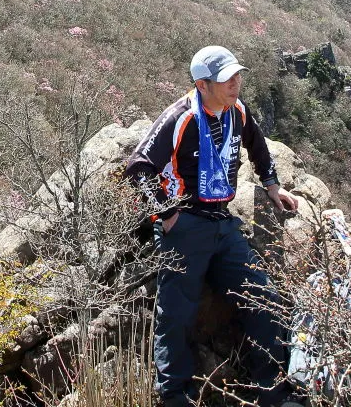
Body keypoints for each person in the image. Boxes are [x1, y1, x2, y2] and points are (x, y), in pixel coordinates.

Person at [125, 45, 300, 407]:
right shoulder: (181, 117)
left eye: (237, 76)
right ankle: (175, 397)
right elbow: (139, 166)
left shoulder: (237, 111)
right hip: (185, 224)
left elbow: (257, 145)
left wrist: (272, 185)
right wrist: (165, 213)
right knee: (176, 314)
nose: (236, 84)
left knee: (262, 297)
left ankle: (275, 393)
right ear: (202, 85)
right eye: (226, 79)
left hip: (222, 221)